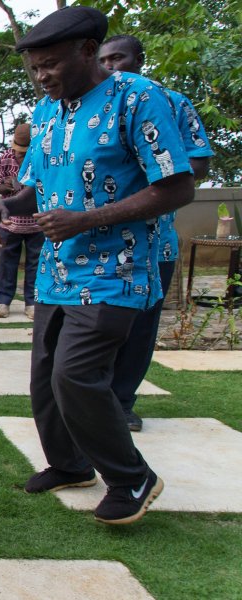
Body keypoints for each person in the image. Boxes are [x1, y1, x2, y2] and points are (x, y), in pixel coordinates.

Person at [0, 6, 195, 525]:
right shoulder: (48, 114)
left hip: (116, 269)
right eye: (34, 69)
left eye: (50, 64)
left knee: (76, 374)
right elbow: (36, 188)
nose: (42, 77)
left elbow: (177, 186)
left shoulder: (139, 99)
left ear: (86, 51)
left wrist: (88, 219)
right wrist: (6, 206)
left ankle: (131, 477)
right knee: (44, 379)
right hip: (56, 270)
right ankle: (70, 464)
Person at [99, 33, 214, 432]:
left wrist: (151, 168)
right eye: (105, 59)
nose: (112, 66)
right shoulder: (91, 109)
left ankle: (122, 400)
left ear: (140, 60)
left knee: (141, 326)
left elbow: (196, 165)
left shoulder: (171, 103)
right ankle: (91, 400)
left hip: (152, 243)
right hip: (96, 244)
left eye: (120, 58)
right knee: (95, 326)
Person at [0, 123, 44, 319]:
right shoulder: (6, 157)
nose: (20, 156)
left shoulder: (40, 158)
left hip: (36, 222)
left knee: (35, 263)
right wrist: (5, 186)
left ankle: (31, 302)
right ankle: (3, 302)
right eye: (19, 152)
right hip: (9, 222)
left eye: (24, 152)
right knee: (7, 262)